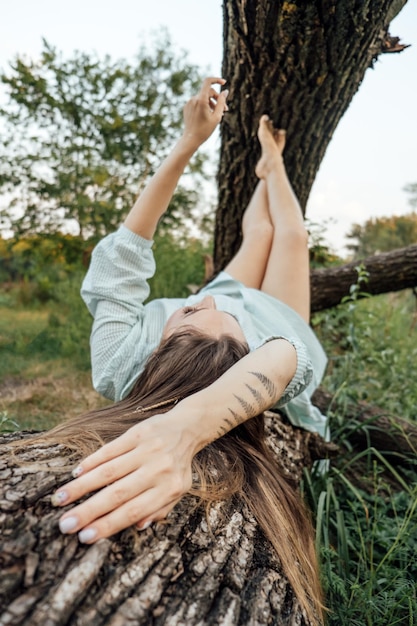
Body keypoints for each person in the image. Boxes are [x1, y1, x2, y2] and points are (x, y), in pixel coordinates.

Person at [45, 77, 327, 624]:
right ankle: (274, 164)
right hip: (275, 318)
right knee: (286, 238)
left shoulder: (120, 364)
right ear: (244, 348)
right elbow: (288, 354)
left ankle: (266, 172)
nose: (197, 302)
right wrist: (189, 425)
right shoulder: (263, 342)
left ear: (161, 350)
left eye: (190, 313)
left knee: (254, 239)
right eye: (204, 308)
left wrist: (187, 143)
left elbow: (122, 261)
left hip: (241, 309)